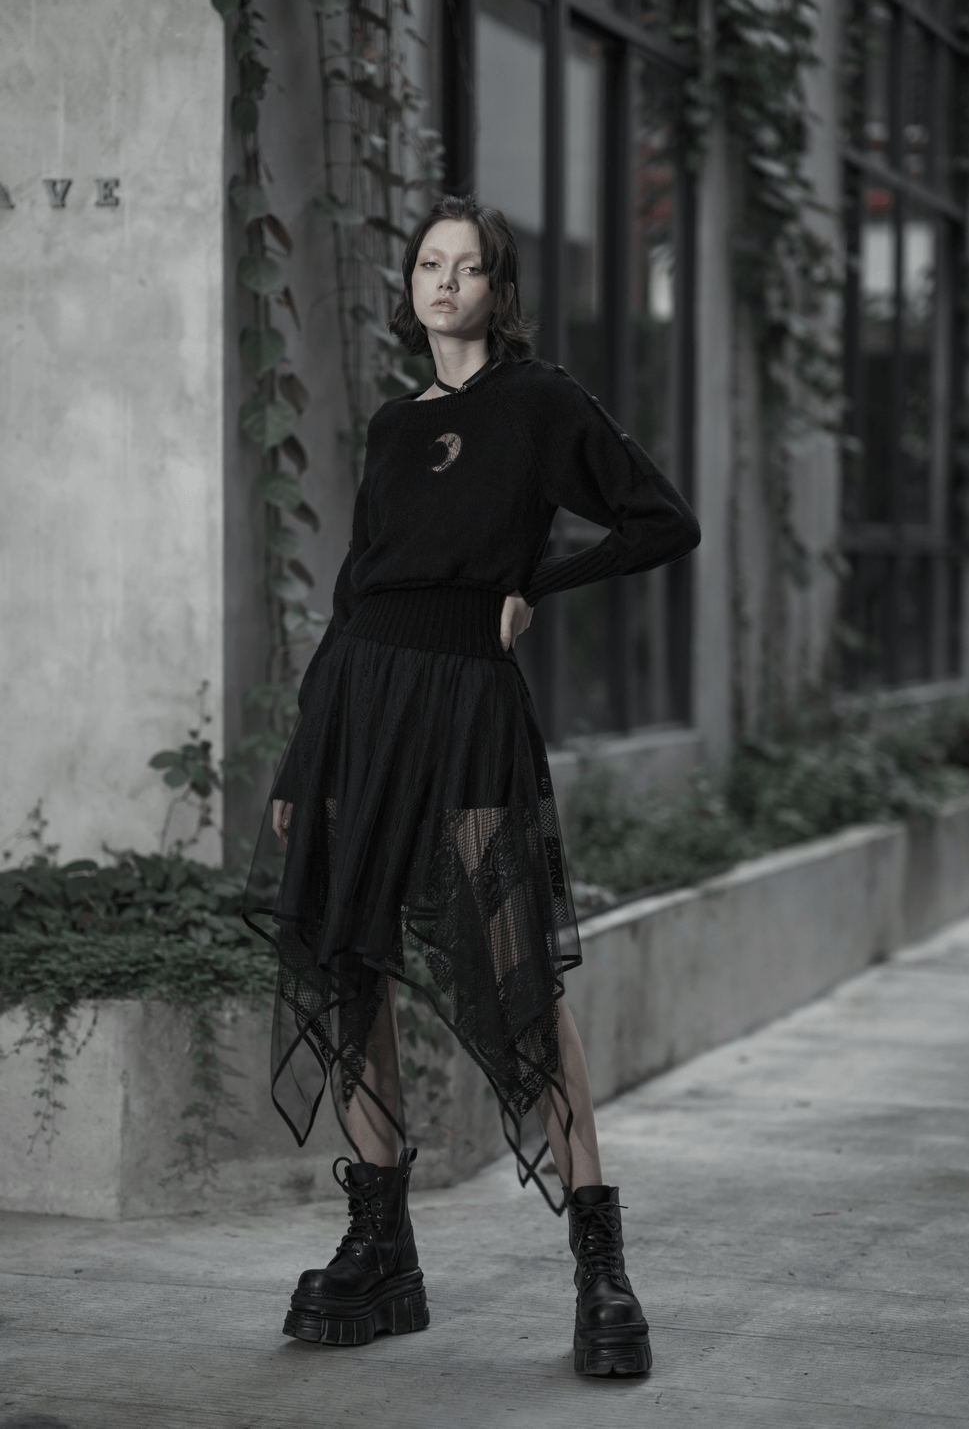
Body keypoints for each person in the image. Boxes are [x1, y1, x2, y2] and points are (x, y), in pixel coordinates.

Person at [243, 194, 700, 1377]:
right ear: (411, 283)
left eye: (469, 267)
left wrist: (543, 578)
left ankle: (601, 1263)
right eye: (428, 264)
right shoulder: (395, 425)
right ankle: (380, 1244)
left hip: (466, 709)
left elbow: (661, 518)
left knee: (513, 973)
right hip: (358, 706)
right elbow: (352, 593)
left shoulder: (541, 402)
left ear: (501, 289)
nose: (443, 283)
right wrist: (302, 755)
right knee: (347, 964)